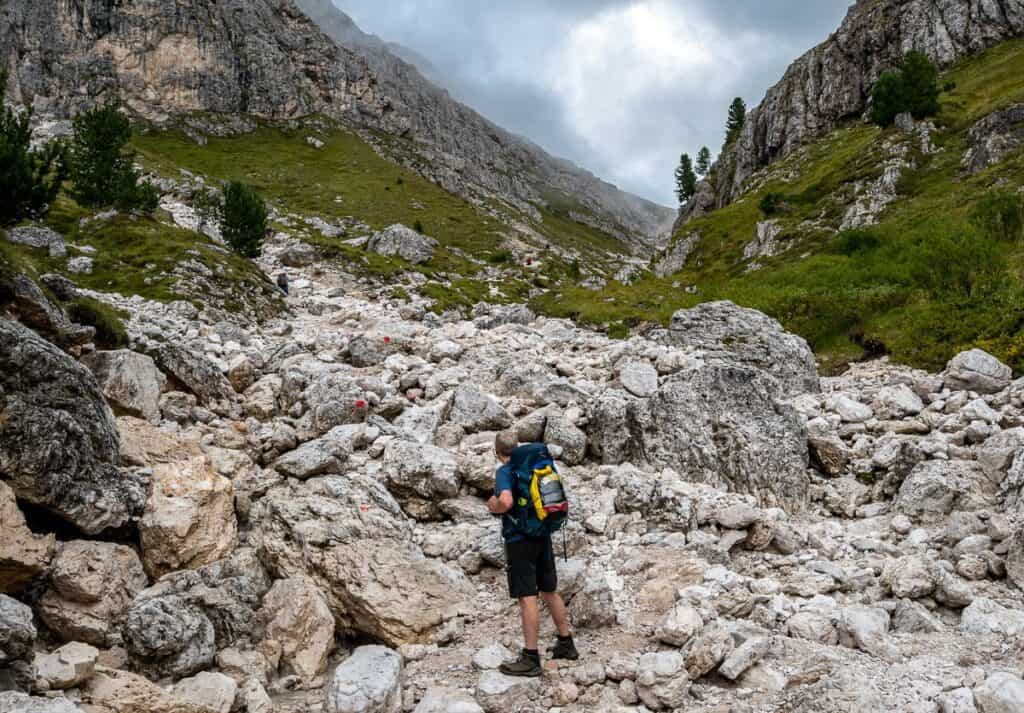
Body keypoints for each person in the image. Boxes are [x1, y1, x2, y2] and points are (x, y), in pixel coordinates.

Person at [488, 430, 577, 677]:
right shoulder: (537, 464)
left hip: (520, 541)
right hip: (543, 534)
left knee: (527, 597)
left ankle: (530, 657)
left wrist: (492, 504)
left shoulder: (505, 471)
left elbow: (505, 502)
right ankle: (566, 643)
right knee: (549, 590)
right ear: (515, 448)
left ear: (496, 452)